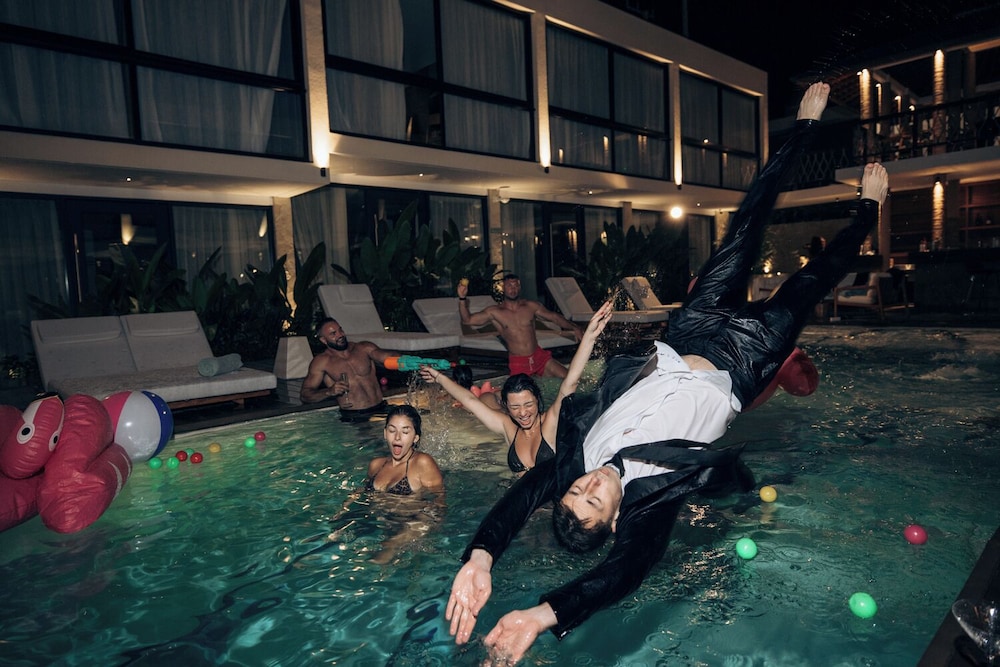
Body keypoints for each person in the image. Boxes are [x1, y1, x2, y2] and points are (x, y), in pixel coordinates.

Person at [445, 83, 891, 665]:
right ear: (614, 522)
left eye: (576, 490)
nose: (589, 484)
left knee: (744, 227)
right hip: (743, 361)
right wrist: (541, 614)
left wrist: (480, 558)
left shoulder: (577, 460)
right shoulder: (652, 502)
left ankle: (802, 130)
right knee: (811, 282)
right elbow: (624, 573)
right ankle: (868, 209)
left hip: (687, 336)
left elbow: (521, 495)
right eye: (595, 500)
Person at [420, 301, 614, 474]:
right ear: (506, 406)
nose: (523, 413)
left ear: (537, 400)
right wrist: (439, 377)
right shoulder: (508, 428)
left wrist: (589, 336)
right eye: (515, 407)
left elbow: (570, 382)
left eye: (528, 404)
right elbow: (470, 401)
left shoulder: (550, 422)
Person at [458, 274, 583, 379]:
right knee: (521, 394)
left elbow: (554, 317)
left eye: (516, 285)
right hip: (519, 363)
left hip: (539, 357)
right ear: (503, 288)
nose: (513, 289)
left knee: (572, 380)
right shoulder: (495, 312)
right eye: (509, 286)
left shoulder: (531, 306)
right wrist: (462, 298)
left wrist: (574, 327)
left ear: (520, 287)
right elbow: (467, 320)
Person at [300, 317, 394, 422]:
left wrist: (404, 360)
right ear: (323, 340)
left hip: (381, 408)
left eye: (340, 330)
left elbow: (386, 356)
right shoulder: (322, 362)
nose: (340, 335)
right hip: (354, 416)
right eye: (333, 334)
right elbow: (305, 395)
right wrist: (329, 392)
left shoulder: (363, 348)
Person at [365, 404, 443, 495]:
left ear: (415, 438)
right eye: (392, 430)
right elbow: (364, 493)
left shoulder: (423, 462)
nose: (397, 437)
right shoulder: (375, 465)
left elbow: (439, 499)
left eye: (405, 432)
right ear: (385, 433)